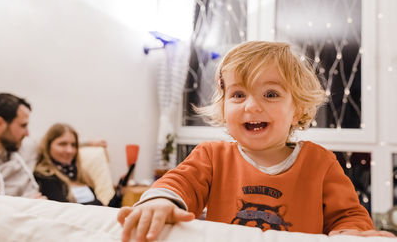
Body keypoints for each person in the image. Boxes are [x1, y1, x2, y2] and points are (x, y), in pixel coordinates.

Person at [117, 41, 395, 241]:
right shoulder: (211, 156)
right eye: (238, 95)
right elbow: (179, 183)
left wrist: (351, 233)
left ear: (297, 109)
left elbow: (348, 215)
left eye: (270, 94)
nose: (251, 106)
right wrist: (160, 202)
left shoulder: (320, 162)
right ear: (224, 107)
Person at [34, 123, 111, 205]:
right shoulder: (45, 176)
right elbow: (66, 210)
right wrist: (98, 204)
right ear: (48, 146)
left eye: (73, 145)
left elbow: (104, 208)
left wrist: (119, 193)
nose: (69, 150)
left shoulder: (79, 174)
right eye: (62, 144)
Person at [0, 93, 43, 198]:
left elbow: (54, 141)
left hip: (41, 209)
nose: (27, 133)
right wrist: (24, 204)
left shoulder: (26, 148)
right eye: (23, 126)